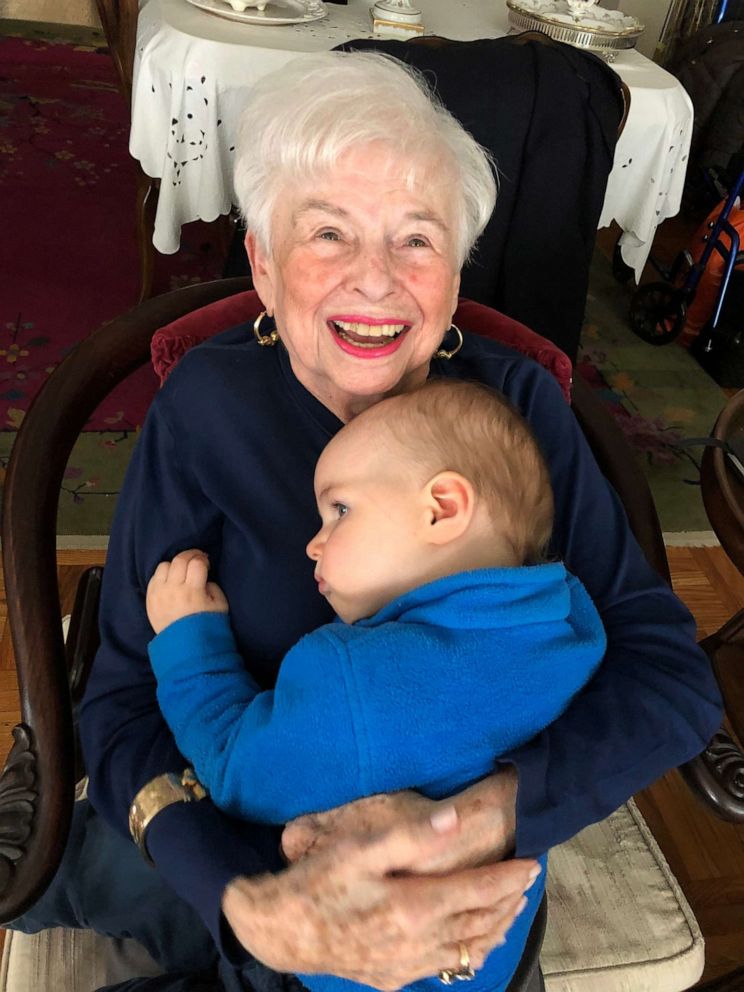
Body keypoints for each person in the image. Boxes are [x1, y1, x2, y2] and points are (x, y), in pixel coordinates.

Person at [11, 49, 721, 992]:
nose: (377, 281)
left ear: (458, 267)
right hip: (228, 836)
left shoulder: (515, 414)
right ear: (262, 263)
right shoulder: (207, 410)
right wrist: (250, 904)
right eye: (330, 235)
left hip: (459, 885)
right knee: (45, 871)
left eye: (417, 239)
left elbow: (671, 678)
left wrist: (468, 823)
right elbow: (124, 697)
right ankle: (34, 792)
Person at [144, 378, 606, 992]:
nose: (314, 543)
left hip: (360, 971)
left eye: (339, 510)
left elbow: (234, 771)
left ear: (441, 507)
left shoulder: (354, 681)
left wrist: (189, 643)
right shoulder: (569, 624)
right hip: (494, 961)